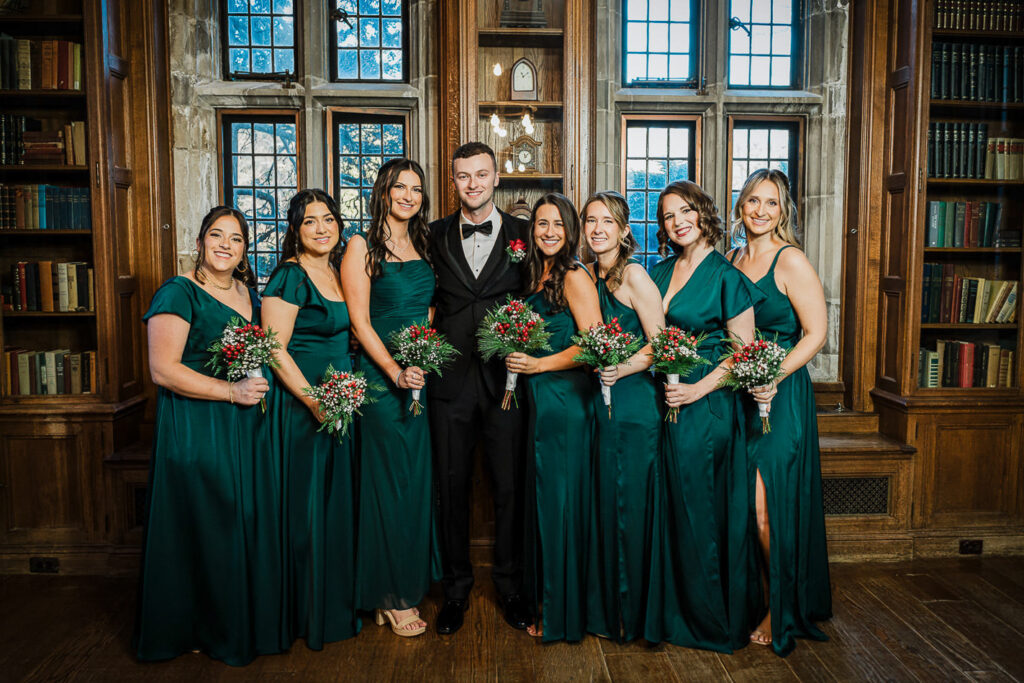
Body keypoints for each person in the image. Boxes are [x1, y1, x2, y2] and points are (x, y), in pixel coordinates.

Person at [134, 206, 281, 665]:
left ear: (244, 251)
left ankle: (232, 623)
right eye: (217, 235)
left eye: (236, 239)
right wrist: (230, 392)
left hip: (243, 425)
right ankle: (193, 628)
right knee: (203, 524)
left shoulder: (247, 293)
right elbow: (162, 370)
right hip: (197, 425)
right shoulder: (178, 292)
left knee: (235, 522)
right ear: (199, 242)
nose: (225, 245)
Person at [644, 181, 763, 652]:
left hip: (707, 405)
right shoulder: (659, 271)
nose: (678, 222)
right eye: (668, 215)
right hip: (663, 401)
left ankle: (712, 620)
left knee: (703, 510)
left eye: (686, 211)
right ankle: (672, 615)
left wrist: (697, 388)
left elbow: (744, 351)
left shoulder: (726, 276)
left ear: (703, 214)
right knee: (672, 507)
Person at [427, 142, 532, 635]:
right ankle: (455, 591)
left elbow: (544, 294)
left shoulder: (526, 235)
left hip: (505, 382)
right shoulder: (431, 235)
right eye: (463, 176)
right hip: (447, 382)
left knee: (509, 487)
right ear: (454, 181)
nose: (473, 184)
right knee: (450, 488)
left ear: (496, 178)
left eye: (481, 174)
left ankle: (510, 587)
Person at [727, 169, 832, 655]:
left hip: (781, 394)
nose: (761, 211)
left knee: (768, 508)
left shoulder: (790, 260)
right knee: (743, 508)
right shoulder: (732, 258)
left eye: (771, 203)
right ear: (740, 205)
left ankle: (782, 606)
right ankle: (758, 595)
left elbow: (816, 333)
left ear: (783, 211)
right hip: (739, 395)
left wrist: (773, 374)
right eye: (753, 200)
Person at [340, 157, 440, 637]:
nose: (408, 196)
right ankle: (388, 594)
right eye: (400, 187)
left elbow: (429, 308)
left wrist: (422, 354)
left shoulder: (423, 243)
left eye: (416, 189)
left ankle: (406, 581)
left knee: (413, 482)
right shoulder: (361, 245)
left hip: (419, 376)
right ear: (382, 191)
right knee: (387, 483)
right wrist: (396, 371)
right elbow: (359, 322)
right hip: (382, 382)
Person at [261, 189, 360, 649]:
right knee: (306, 511)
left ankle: (333, 603)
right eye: (309, 221)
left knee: (333, 507)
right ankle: (305, 612)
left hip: (340, 403)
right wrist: (314, 400)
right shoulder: (290, 275)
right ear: (295, 230)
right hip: (305, 410)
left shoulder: (338, 271)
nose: (322, 229)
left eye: (328, 219)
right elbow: (274, 348)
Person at [505, 193, 602, 641]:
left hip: (565, 401)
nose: (549, 232)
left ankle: (561, 613)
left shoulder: (575, 275)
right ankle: (545, 600)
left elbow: (593, 345)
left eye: (558, 224)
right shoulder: (534, 273)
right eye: (541, 224)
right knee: (543, 501)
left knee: (559, 505)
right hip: (538, 400)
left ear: (570, 230)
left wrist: (539, 364)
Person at [580, 191, 665, 642]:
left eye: (607, 221)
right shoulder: (586, 274)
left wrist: (623, 367)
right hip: (598, 403)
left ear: (624, 230)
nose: (598, 229)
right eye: (591, 221)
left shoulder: (634, 275)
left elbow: (662, 344)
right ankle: (605, 609)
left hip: (633, 404)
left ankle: (633, 614)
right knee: (604, 502)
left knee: (629, 505)